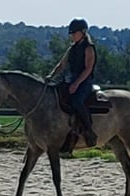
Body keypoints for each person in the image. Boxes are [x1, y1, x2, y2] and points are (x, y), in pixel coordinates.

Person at [46, 18, 98, 147]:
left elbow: (88, 68)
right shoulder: (72, 49)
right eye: (71, 33)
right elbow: (61, 65)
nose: (72, 35)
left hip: (85, 81)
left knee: (77, 101)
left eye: (75, 33)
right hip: (71, 78)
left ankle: (89, 130)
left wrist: (77, 83)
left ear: (83, 32)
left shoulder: (89, 48)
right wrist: (51, 76)